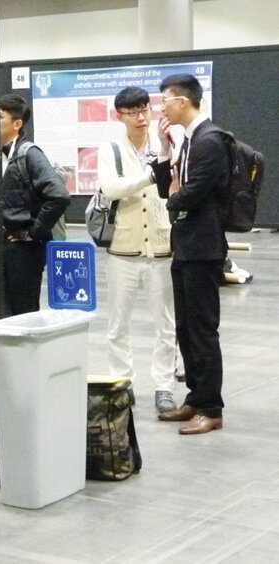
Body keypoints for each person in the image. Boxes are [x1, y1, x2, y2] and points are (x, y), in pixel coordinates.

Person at [150, 73, 230, 435]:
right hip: (186, 245)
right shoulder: (188, 140)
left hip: (203, 247)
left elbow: (190, 193)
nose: (161, 105)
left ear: (182, 101)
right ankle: (196, 398)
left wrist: (173, 199)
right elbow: (171, 184)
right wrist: (165, 153)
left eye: (165, 98)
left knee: (202, 329)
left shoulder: (210, 140)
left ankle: (211, 407)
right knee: (185, 326)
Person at [97, 87, 177, 413]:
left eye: (145, 110)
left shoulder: (166, 145)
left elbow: (175, 186)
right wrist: (148, 176)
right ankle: (121, 383)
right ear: (121, 116)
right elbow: (111, 188)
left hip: (161, 247)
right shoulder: (111, 149)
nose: (142, 117)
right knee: (117, 324)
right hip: (122, 249)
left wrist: (163, 160)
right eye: (133, 112)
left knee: (166, 324)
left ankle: (164, 387)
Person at [0, 94, 70, 316]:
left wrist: (33, 232)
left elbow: (59, 196)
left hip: (24, 250)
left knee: (24, 312)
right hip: (1, 247)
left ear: (17, 124)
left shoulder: (29, 154)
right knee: (3, 312)